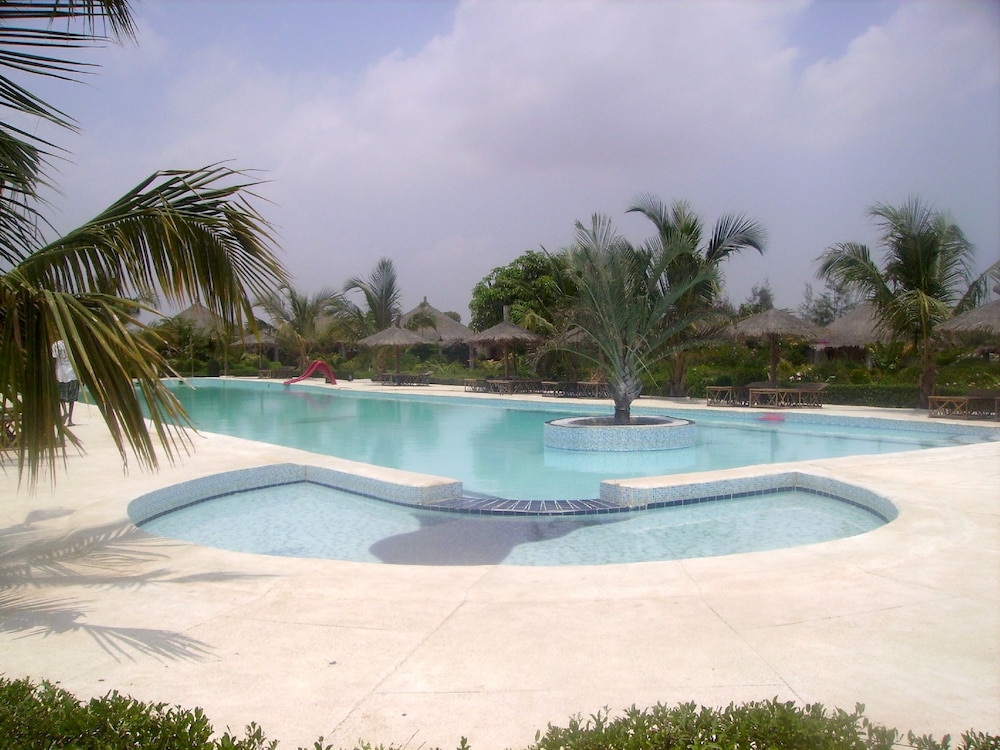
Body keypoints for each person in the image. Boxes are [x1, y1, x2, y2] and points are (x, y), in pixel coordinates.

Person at [51, 339, 79, 426]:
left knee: (60, 396)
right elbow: (77, 360)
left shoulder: (55, 345)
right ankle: (70, 419)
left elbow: (54, 360)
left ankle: (65, 412)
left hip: (61, 374)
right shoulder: (72, 343)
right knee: (72, 398)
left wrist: (52, 372)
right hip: (72, 374)